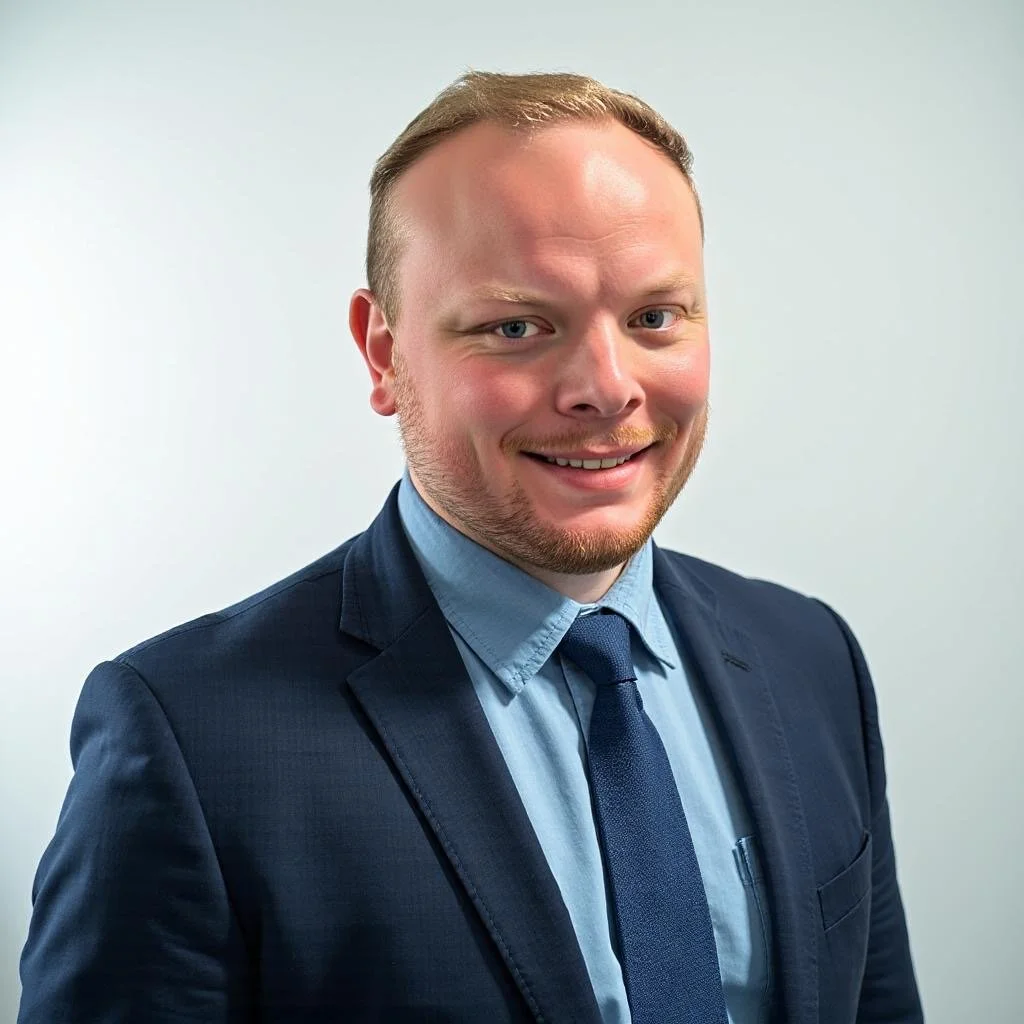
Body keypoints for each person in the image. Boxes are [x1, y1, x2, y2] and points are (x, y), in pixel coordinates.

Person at [18, 70, 924, 1024]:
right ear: (384, 354)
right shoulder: (191, 740)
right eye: (518, 326)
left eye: (655, 317)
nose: (606, 389)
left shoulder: (811, 657)